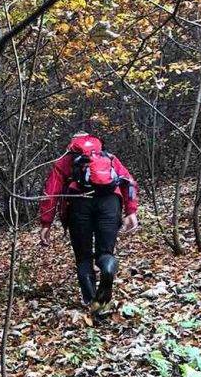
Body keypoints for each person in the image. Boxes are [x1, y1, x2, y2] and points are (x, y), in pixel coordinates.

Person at [39, 131, 139, 310]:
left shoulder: (65, 161)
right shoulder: (109, 157)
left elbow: (51, 191)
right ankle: (107, 268)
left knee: (83, 256)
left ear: (72, 144)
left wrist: (46, 223)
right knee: (105, 252)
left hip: (78, 204)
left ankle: (91, 302)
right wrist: (131, 211)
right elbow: (128, 181)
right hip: (110, 202)